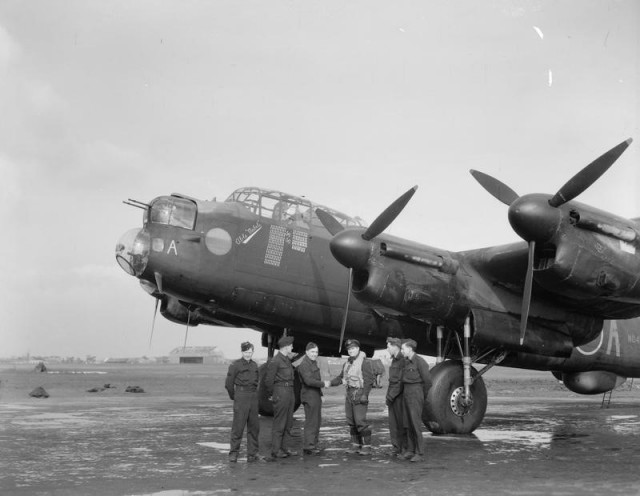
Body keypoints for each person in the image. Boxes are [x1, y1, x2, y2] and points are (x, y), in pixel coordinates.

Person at [328, 339, 375, 455]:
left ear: (358, 348)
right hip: (349, 394)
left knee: (360, 421)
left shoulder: (365, 362)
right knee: (351, 421)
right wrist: (328, 383)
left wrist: (365, 395)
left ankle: (367, 447)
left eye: (353, 348)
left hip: (359, 393)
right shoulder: (347, 363)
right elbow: (340, 377)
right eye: (349, 349)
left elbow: (369, 380)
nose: (351, 351)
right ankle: (356, 445)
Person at [224, 341, 264, 463]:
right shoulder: (235, 365)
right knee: (238, 427)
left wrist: (254, 395)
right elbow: (228, 384)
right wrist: (235, 396)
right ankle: (233, 454)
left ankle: (253, 454)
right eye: (246, 352)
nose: (248, 354)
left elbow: (257, 382)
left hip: (253, 397)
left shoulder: (254, 366)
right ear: (242, 352)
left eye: (250, 352)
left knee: (254, 427)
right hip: (241, 396)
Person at [264, 335, 297, 459]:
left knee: (288, 423)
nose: (292, 347)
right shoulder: (276, 361)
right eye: (291, 346)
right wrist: (273, 395)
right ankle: (276, 450)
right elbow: (268, 381)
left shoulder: (286, 360)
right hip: (281, 391)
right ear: (286, 347)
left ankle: (285, 448)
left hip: (290, 391)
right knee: (280, 423)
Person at [400, 339, 432, 462]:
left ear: (410, 349)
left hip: (416, 392)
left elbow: (428, 381)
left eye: (403, 349)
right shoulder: (406, 362)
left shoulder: (420, 362)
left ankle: (419, 452)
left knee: (415, 423)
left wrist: (421, 395)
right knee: (407, 423)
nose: (402, 351)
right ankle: (410, 450)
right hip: (406, 393)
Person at [297, 342, 330, 455]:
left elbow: (315, 378)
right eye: (312, 352)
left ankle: (313, 444)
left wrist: (321, 394)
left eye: (316, 352)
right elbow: (309, 381)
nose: (314, 354)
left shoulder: (313, 363)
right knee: (311, 422)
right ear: (306, 352)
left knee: (316, 421)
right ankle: (308, 447)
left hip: (315, 394)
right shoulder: (304, 365)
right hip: (309, 395)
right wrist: (323, 384)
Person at [385, 337, 407, 458]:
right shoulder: (394, 360)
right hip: (392, 397)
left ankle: (404, 449)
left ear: (395, 346)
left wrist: (391, 396)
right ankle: (396, 448)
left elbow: (400, 382)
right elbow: (392, 381)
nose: (387, 348)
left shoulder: (402, 360)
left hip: (399, 397)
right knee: (393, 424)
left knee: (401, 424)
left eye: (388, 346)